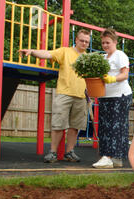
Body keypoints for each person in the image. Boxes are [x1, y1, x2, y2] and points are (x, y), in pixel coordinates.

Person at [19, 29, 91, 163]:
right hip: (64, 93)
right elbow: (47, 54)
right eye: (82, 40)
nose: (84, 43)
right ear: (76, 40)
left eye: (87, 41)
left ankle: (69, 152)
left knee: (75, 126)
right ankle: (52, 152)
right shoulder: (65, 51)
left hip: (81, 95)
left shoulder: (88, 58)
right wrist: (32, 52)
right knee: (58, 125)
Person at [93, 28, 133, 168]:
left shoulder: (119, 55)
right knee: (105, 126)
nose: (105, 45)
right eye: (103, 43)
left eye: (108, 43)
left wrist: (112, 79)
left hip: (120, 96)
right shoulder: (104, 58)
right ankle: (116, 158)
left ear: (115, 42)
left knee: (115, 126)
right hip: (106, 96)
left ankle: (108, 157)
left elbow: (125, 74)